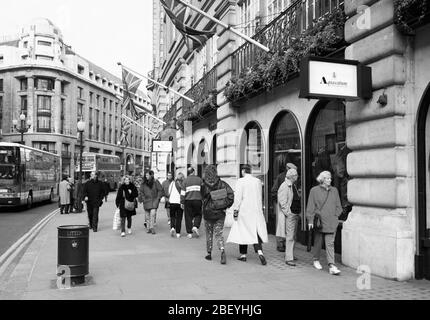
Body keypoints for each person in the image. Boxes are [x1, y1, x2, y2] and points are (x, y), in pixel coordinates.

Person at [227, 165, 268, 266]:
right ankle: (260, 252)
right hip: (256, 210)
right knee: (255, 231)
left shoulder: (241, 181)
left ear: (243, 171)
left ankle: (243, 255)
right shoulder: (257, 181)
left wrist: (235, 211)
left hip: (244, 210)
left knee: (242, 231)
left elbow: (238, 197)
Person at [306, 171, 342, 275]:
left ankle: (331, 265)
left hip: (331, 222)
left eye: (330, 178)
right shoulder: (314, 190)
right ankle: (316, 259)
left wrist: (336, 216)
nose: (330, 180)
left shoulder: (334, 190)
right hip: (319, 222)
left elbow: (338, 206)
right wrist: (310, 220)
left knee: (330, 243)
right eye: (327, 178)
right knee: (318, 242)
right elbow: (310, 207)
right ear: (322, 180)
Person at [201, 165, 234, 264]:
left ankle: (209, 253)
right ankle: (222, 249)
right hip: (220, 213)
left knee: (209, 232)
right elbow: (231, 196)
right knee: (218, 233)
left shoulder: (203, 186)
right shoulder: (222, 184)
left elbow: (201, 198)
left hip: (207, 212)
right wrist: (223, 205)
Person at [271, 162, 299, 252]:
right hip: (284, 206)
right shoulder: (282, 178)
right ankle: (280, 244)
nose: (296, 175)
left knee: (285, 227)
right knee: (281, 224)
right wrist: (279, 203)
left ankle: (286, 245)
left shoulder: (292, 179)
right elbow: (274, 191)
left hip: (289, 206)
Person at [278, 168, 300, 266]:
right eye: (296, 175)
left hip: (294, 213)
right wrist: (288, 213)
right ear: (292, 176)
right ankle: (289, 258)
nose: (297, 176)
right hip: (290, 215)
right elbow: (282, 202)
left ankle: (290, 254)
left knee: (293, 236)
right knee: (290, 236)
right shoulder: (285, 186)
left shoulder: (292, 185)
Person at [180, 167, 203, 239]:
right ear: (193, 172)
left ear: (188, 172)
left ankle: (189, 233)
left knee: (188, 216)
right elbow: (203, 190)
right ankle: (195, 226)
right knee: (198, 214)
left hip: (188, 201)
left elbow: (183, 193)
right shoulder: (199, 179)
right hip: (198, 200)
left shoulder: (185, 181)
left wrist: (182, 202)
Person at [138, 170, 163, 234]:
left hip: (154, 200)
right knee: (147, 216)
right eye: (146, 175)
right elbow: (141, 192)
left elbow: (160, 190)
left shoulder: (156, 182)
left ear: (151, 175)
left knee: (152, 214)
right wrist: (143, 199)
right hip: (146, 201)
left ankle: (152, 228)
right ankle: (148, 228)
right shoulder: (143, 183)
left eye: (147, 175)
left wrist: (158, 198)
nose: (146, 176)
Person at [168, 172, 185, 238]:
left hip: (172, 202)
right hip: (179, 202)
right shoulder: (183, 184)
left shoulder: (172, 183)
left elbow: (169, 192)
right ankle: (178, 233)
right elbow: (183, 193)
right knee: (179, 218)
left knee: (172, 216)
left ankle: (172, 227)